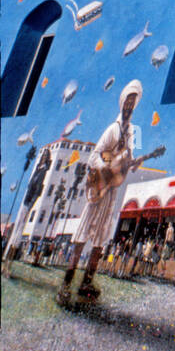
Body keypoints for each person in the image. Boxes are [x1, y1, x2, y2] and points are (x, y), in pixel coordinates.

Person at [57, 81, 144, 307]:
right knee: (82, 235)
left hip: (112, 191)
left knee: (100, 240)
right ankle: (66, 283)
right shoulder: (112, 129)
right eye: (127, 101)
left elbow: (129, 162)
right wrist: (108, 167)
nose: (129, 106)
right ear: (122, 102)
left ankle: (87, 282)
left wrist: (135, 163)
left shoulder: (133, 132)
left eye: (133, 103)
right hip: (100, 188)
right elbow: (95, 155)